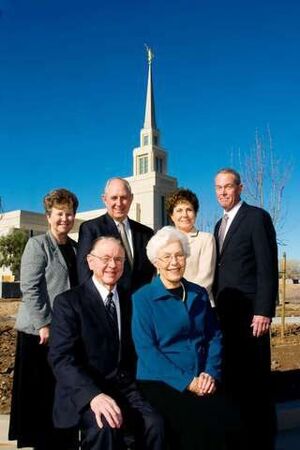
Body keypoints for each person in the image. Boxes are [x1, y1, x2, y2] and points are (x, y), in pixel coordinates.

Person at [48, 236, 165, 450]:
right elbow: (61, 359)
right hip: (85, 392)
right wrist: (94, 395)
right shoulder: (68, 302)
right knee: (105, 428)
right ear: (91, 262)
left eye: (119, 260)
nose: (112, 265)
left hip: (125, 389)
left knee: (154, 424)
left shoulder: (132, 300)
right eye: (106, 258)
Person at [132, 226, 241, 450]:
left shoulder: (198, 293)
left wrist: (210, 373)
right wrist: (188, 382)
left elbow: (214, 336)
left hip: (202, 377)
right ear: (156, 262)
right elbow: (147, 352)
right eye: (167, 257)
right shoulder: (142, 298)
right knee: (197, 426)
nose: (174, 262)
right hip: (161, 380)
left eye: (179, 255)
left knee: (232, 421)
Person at [213, 168, 278, 450]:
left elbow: (267, 266)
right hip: (226, 316)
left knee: (256, 381)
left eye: (228, 187)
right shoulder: (218, 225)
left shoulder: (256, 217)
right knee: (234, 378)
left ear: (240, 187)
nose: (223, 192)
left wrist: (263, 310)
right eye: (218, 188)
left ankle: (263, 439)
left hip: (252, 317)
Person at [9, 188, 79, 450]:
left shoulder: (75, 247)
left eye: (70, 214)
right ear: (49, 216)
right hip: (38, 334)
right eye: (60, 214)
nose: (65, 219)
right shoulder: (37, 245)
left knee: (61, 393)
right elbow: (30, 288)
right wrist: (44, 324)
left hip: (66, 333)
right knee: (40, 397)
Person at [77, 177, 155, 293]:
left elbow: (150, 272)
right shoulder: (91, 229)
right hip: (108, 304)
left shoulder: (146, 233)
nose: (119, 203)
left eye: (124, 198)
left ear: (131, 198)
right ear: (104, 199)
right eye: (114, 198)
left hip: (139, 305)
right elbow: (84, 272)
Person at [166, 188, 216, 305]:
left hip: (199, 303)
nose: (184, 214)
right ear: (172, 216)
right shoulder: (165, 241)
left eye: (189, 210)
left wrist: (182, 300)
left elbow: (205, 278)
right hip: (170, 305)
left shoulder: (206, 239)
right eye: (179, 210)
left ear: (195, 213)